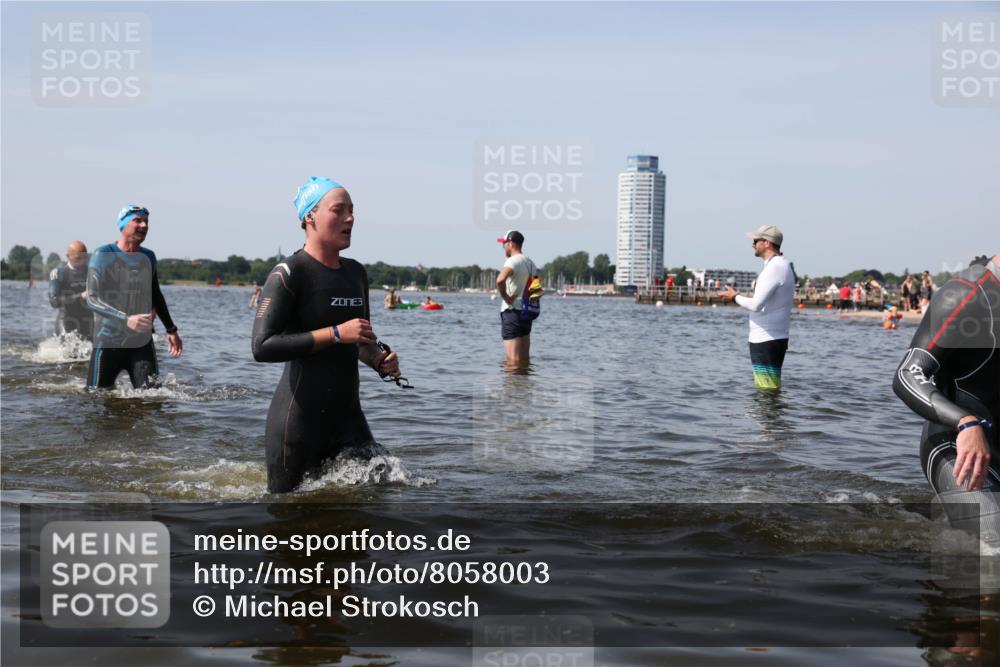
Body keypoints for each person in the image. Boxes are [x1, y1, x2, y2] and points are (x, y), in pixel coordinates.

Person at [251, 177, 400, 493]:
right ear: (310, 217)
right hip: (298, 424)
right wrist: (335, 333)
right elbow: (262, 347)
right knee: (292, 518)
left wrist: (379, 359)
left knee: (386, 491)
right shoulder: (289, 273)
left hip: (348, 419)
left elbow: (360, 341)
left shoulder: (356, 273)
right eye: (339, 210)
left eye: (352, 210)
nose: (350, 218)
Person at [892, 252, 999, 544]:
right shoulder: (966, 293)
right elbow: (907, 375)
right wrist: (965, 422)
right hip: (957, 445)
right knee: (996, 545)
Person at [85, 205, 183, 389]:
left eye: (146, 221)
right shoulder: (103, 254)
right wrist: (125, 319)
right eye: (137, 220)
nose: (144, 225)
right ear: (122, 225)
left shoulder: (149, 256)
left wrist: (171, 329)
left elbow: (155, 294)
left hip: (141, 343)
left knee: (151, 400)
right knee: (95, 401)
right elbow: (91, 299)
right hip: (107, 343)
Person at [719, 225, 795, 391]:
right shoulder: (781, 265)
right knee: (769, 389)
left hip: (767, 338)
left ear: (767, 243)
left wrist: (734, 296)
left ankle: (767, 417)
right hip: (771, 337)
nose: (752, 244)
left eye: (755, 241)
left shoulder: (775, 268)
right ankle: (772, 416)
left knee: (766, 390)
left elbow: (756, 304)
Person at [495, 230, 538, 368]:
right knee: (524, 361)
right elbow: (536, 291)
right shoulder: (531, 263)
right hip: (526, 314)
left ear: (511, 243)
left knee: (512, 361)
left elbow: (500, 280)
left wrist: (505, 297)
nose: (503, 247)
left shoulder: (512, 261)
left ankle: (512, 389)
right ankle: (524, 388)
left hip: (512, 312)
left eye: (504, 244)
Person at [48, 240, 93, 338]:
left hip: (87, 320)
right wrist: (80, 296)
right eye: (78, 258)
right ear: (68, 256)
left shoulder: (92, 273)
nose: (82, 261)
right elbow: (54, 302)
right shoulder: (58, 274)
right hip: (66, 320)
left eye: (85, 257)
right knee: (69, 351)